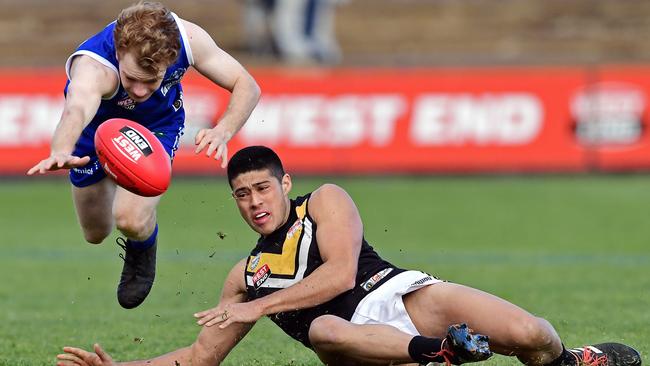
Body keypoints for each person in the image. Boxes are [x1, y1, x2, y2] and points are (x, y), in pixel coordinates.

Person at [57, 145, 641, 366]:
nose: (255, 203)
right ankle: (441, 355)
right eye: (242, 195)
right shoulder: (244, 275)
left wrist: (260, 310)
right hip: (359, 344)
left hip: (406, 296)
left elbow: (338, 271)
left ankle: (569, 362)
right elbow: (198, 357)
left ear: (285, 184)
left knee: (530, 333)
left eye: (263, 188)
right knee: (328, 332)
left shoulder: (327, 201)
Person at [26, 1, 261, 309]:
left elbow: (248, 85)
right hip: (94, 131)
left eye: (151, 81)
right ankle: (115, 180)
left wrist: (224, 130)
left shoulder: (188, 40)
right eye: (131, 78)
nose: (139, 90)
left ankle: (143, 246)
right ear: (119, 51)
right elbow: (77, 109)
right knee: (95, 232)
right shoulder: (94, 66)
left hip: (157, 126)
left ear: (172, 57)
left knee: (130, 219)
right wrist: (60, 149)